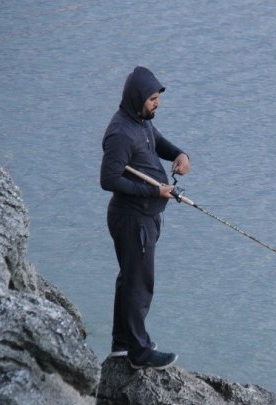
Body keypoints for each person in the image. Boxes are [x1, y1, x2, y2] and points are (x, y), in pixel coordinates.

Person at [100, 66, 190, 370]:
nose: (157, 103)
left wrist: (180, 154)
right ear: (138, 98)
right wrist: (154, 193)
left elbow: (159, 142)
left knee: (129, 279)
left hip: (145, 217)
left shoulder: (141, 122)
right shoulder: (120, 133)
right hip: (132, 219)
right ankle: (139, 352)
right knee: (139, 284)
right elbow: (109, 179)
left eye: (157, 98)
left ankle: (122, 344)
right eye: (152, 98)